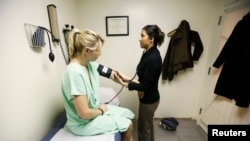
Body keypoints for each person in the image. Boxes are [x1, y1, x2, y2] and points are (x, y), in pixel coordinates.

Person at [61, 28, 135, 141]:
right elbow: (84, 114)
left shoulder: (89, 65)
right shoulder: (74, 73)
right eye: (98, 50)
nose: (100, 53)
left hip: (94, 111)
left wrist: (135, 83)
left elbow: (113, 74)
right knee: (128, 124)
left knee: (127, 113)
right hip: (82, 123)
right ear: (87, 50)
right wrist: (101, 111)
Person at [117, 25, 165, 141]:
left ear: (151, 39)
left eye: (142, 36)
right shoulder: (147, 53)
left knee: (144, 130)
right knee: (148, 127)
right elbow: (143, 79)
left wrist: (124, 84)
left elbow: (145, 86)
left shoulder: (153, 58)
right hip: (147, 97)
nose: (139, 38)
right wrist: (125, 77)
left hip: (149, 100)